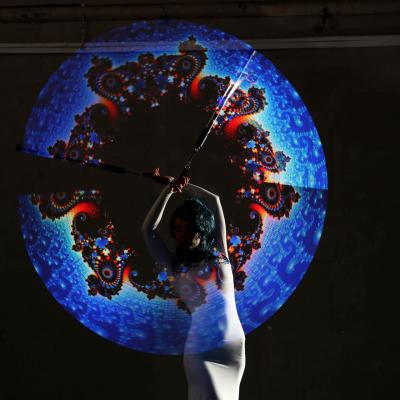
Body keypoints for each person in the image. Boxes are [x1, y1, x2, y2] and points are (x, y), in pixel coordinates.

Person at [142, 168, 246, 400]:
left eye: (189, 229)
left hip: (234, 351)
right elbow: (148, 231)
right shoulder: (174, 265)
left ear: (202, 228)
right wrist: (168, 191)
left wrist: (177, 183)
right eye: (177, 229)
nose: (182, 234)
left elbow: (214, 199)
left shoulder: (220, 252)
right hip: (202, 351)